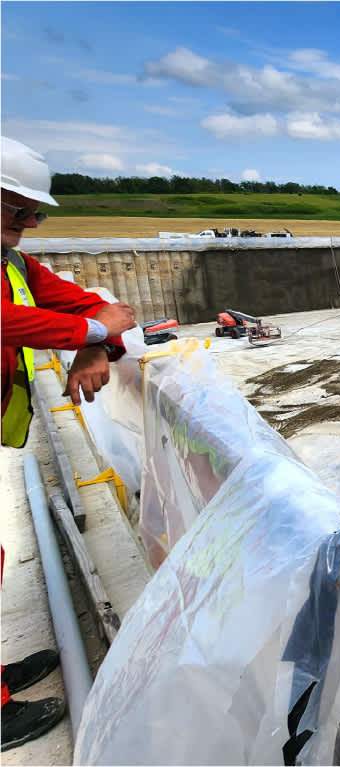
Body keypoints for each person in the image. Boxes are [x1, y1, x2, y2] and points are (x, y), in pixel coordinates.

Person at [1, 136, 137, 751]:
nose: (30, 224)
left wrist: (94, 343)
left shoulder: (14, 264)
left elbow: (106, 308)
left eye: (37, 212)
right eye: (17, 210)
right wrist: (88, 331)